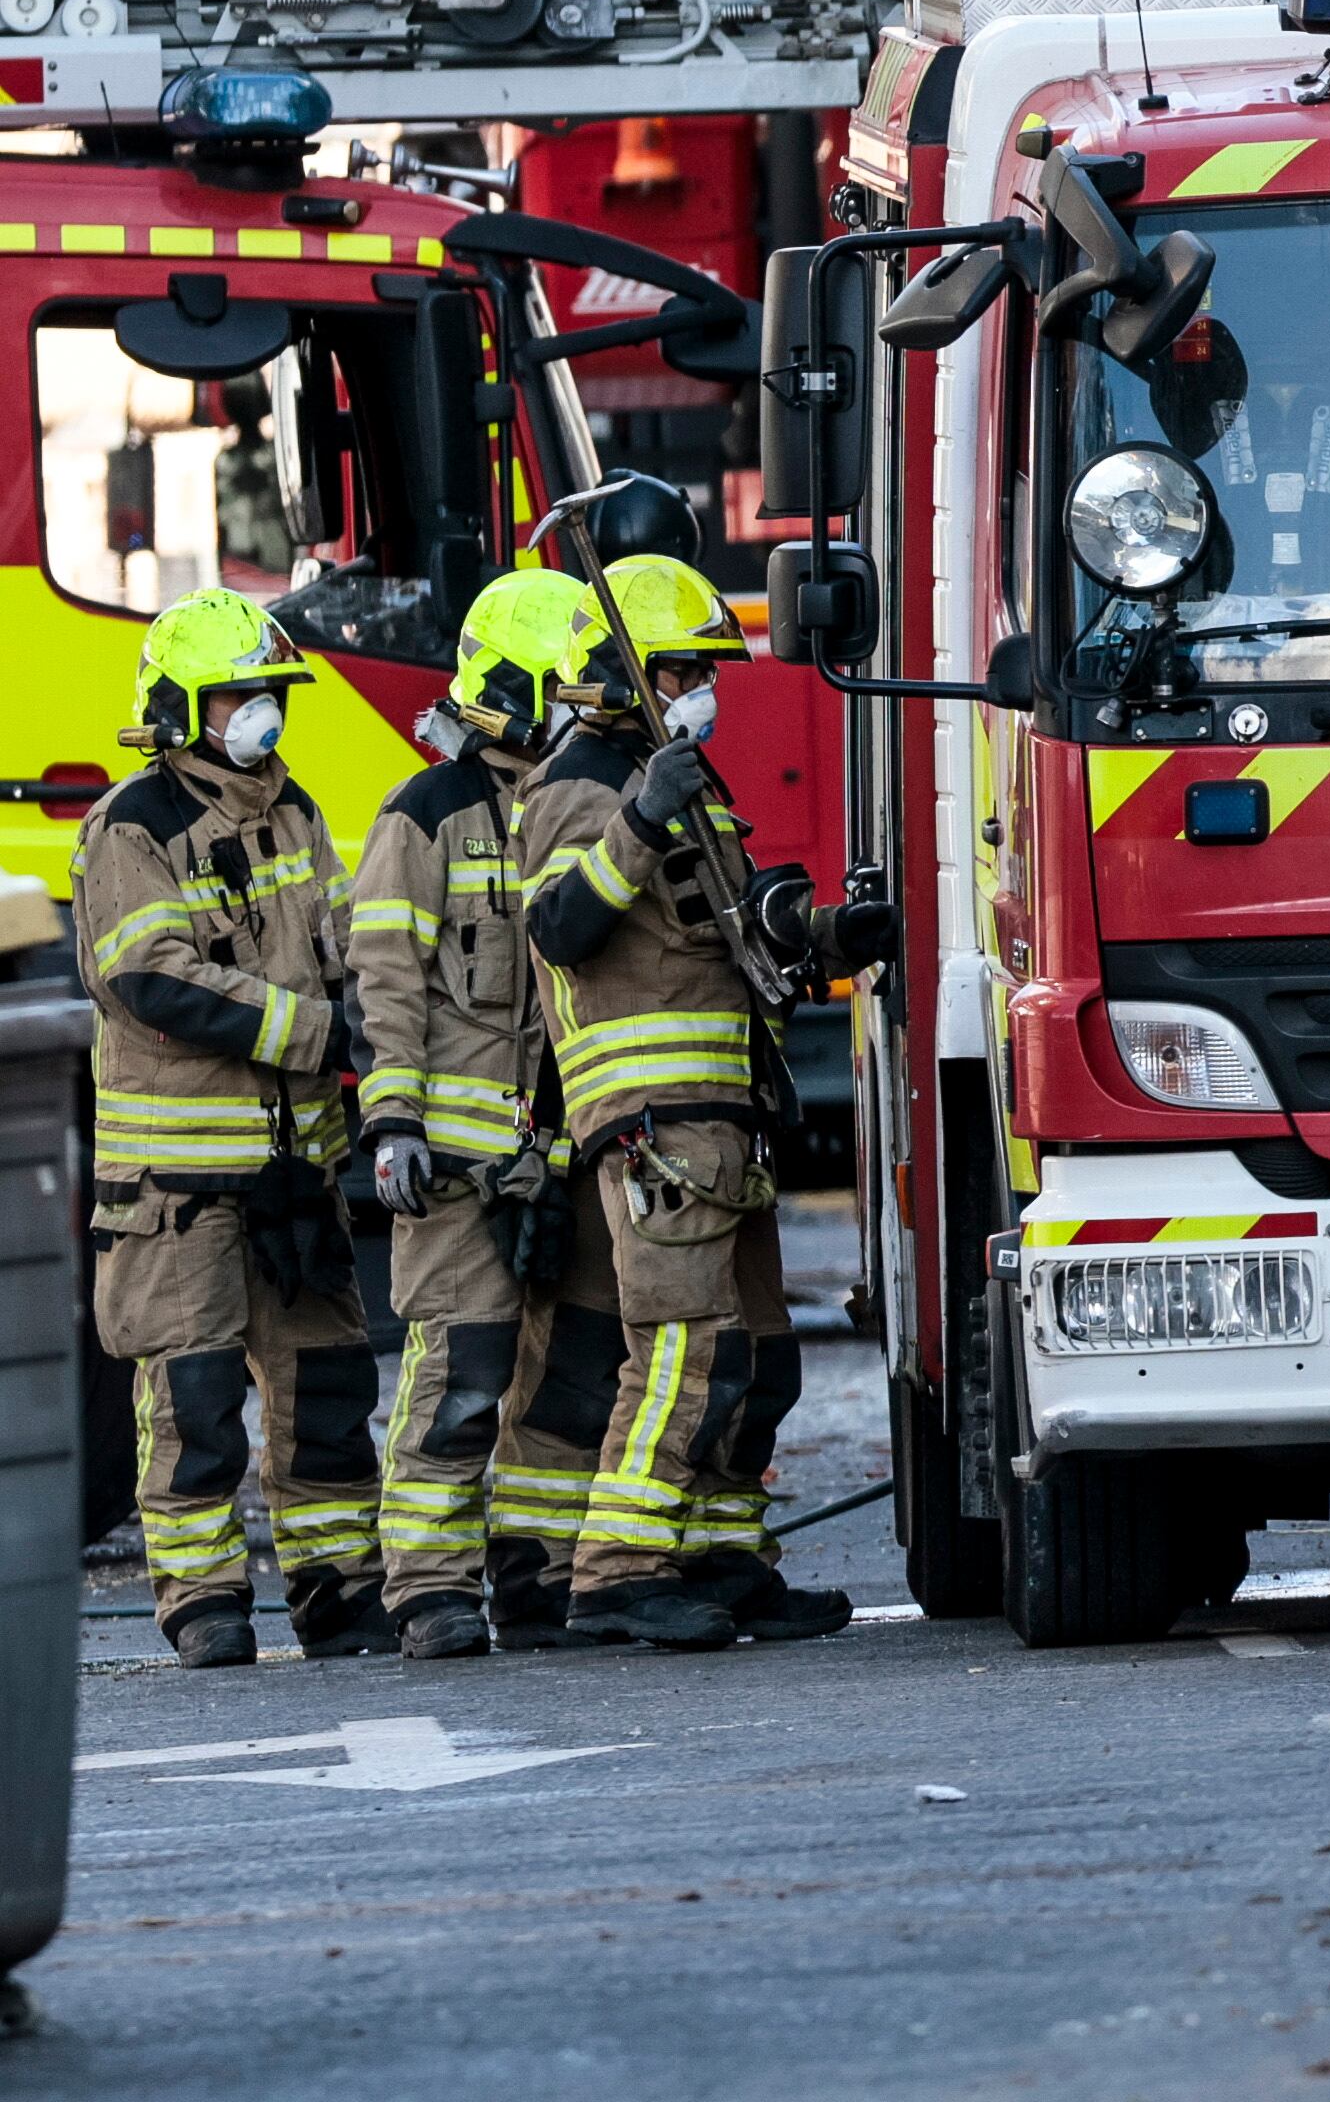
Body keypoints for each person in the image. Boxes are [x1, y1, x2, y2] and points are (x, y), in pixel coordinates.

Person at [518, 555, 846, 1650]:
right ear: (621, 674)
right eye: (682, 670)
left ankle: (720, 1554)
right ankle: (617, 1572)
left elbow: (733, 927)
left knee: (758, 1354)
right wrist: (639, 822)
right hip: (654, 1123)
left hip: (722, 1114)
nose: (703, 689)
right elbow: (561, 930)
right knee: (679, 1350)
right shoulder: (579, 788)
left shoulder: (679, 780)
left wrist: (821, 931)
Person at [76, 589, 388, 1668]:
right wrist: (318, 1030)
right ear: (182, 709)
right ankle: (202, 1602)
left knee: (330, 1391)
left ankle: (340, 1588)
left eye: (269, 694)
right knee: (194, 1398)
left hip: (296, 1171)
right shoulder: (134, 827)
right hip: (180, 1186)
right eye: (238, 697)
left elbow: (338, 935)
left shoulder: (291, 811)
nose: (262, 713)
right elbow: (152, 980)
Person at [348, 568, 591, 1660]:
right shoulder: (426, 816)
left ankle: (535, 1576)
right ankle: (429, 1591)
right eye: (570, 689)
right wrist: (393, 1120)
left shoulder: (574, 803)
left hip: (563, 1155)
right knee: (460, 1377)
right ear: (514, 688)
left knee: (565, 1379)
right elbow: (386, 978)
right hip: (455, 1165)